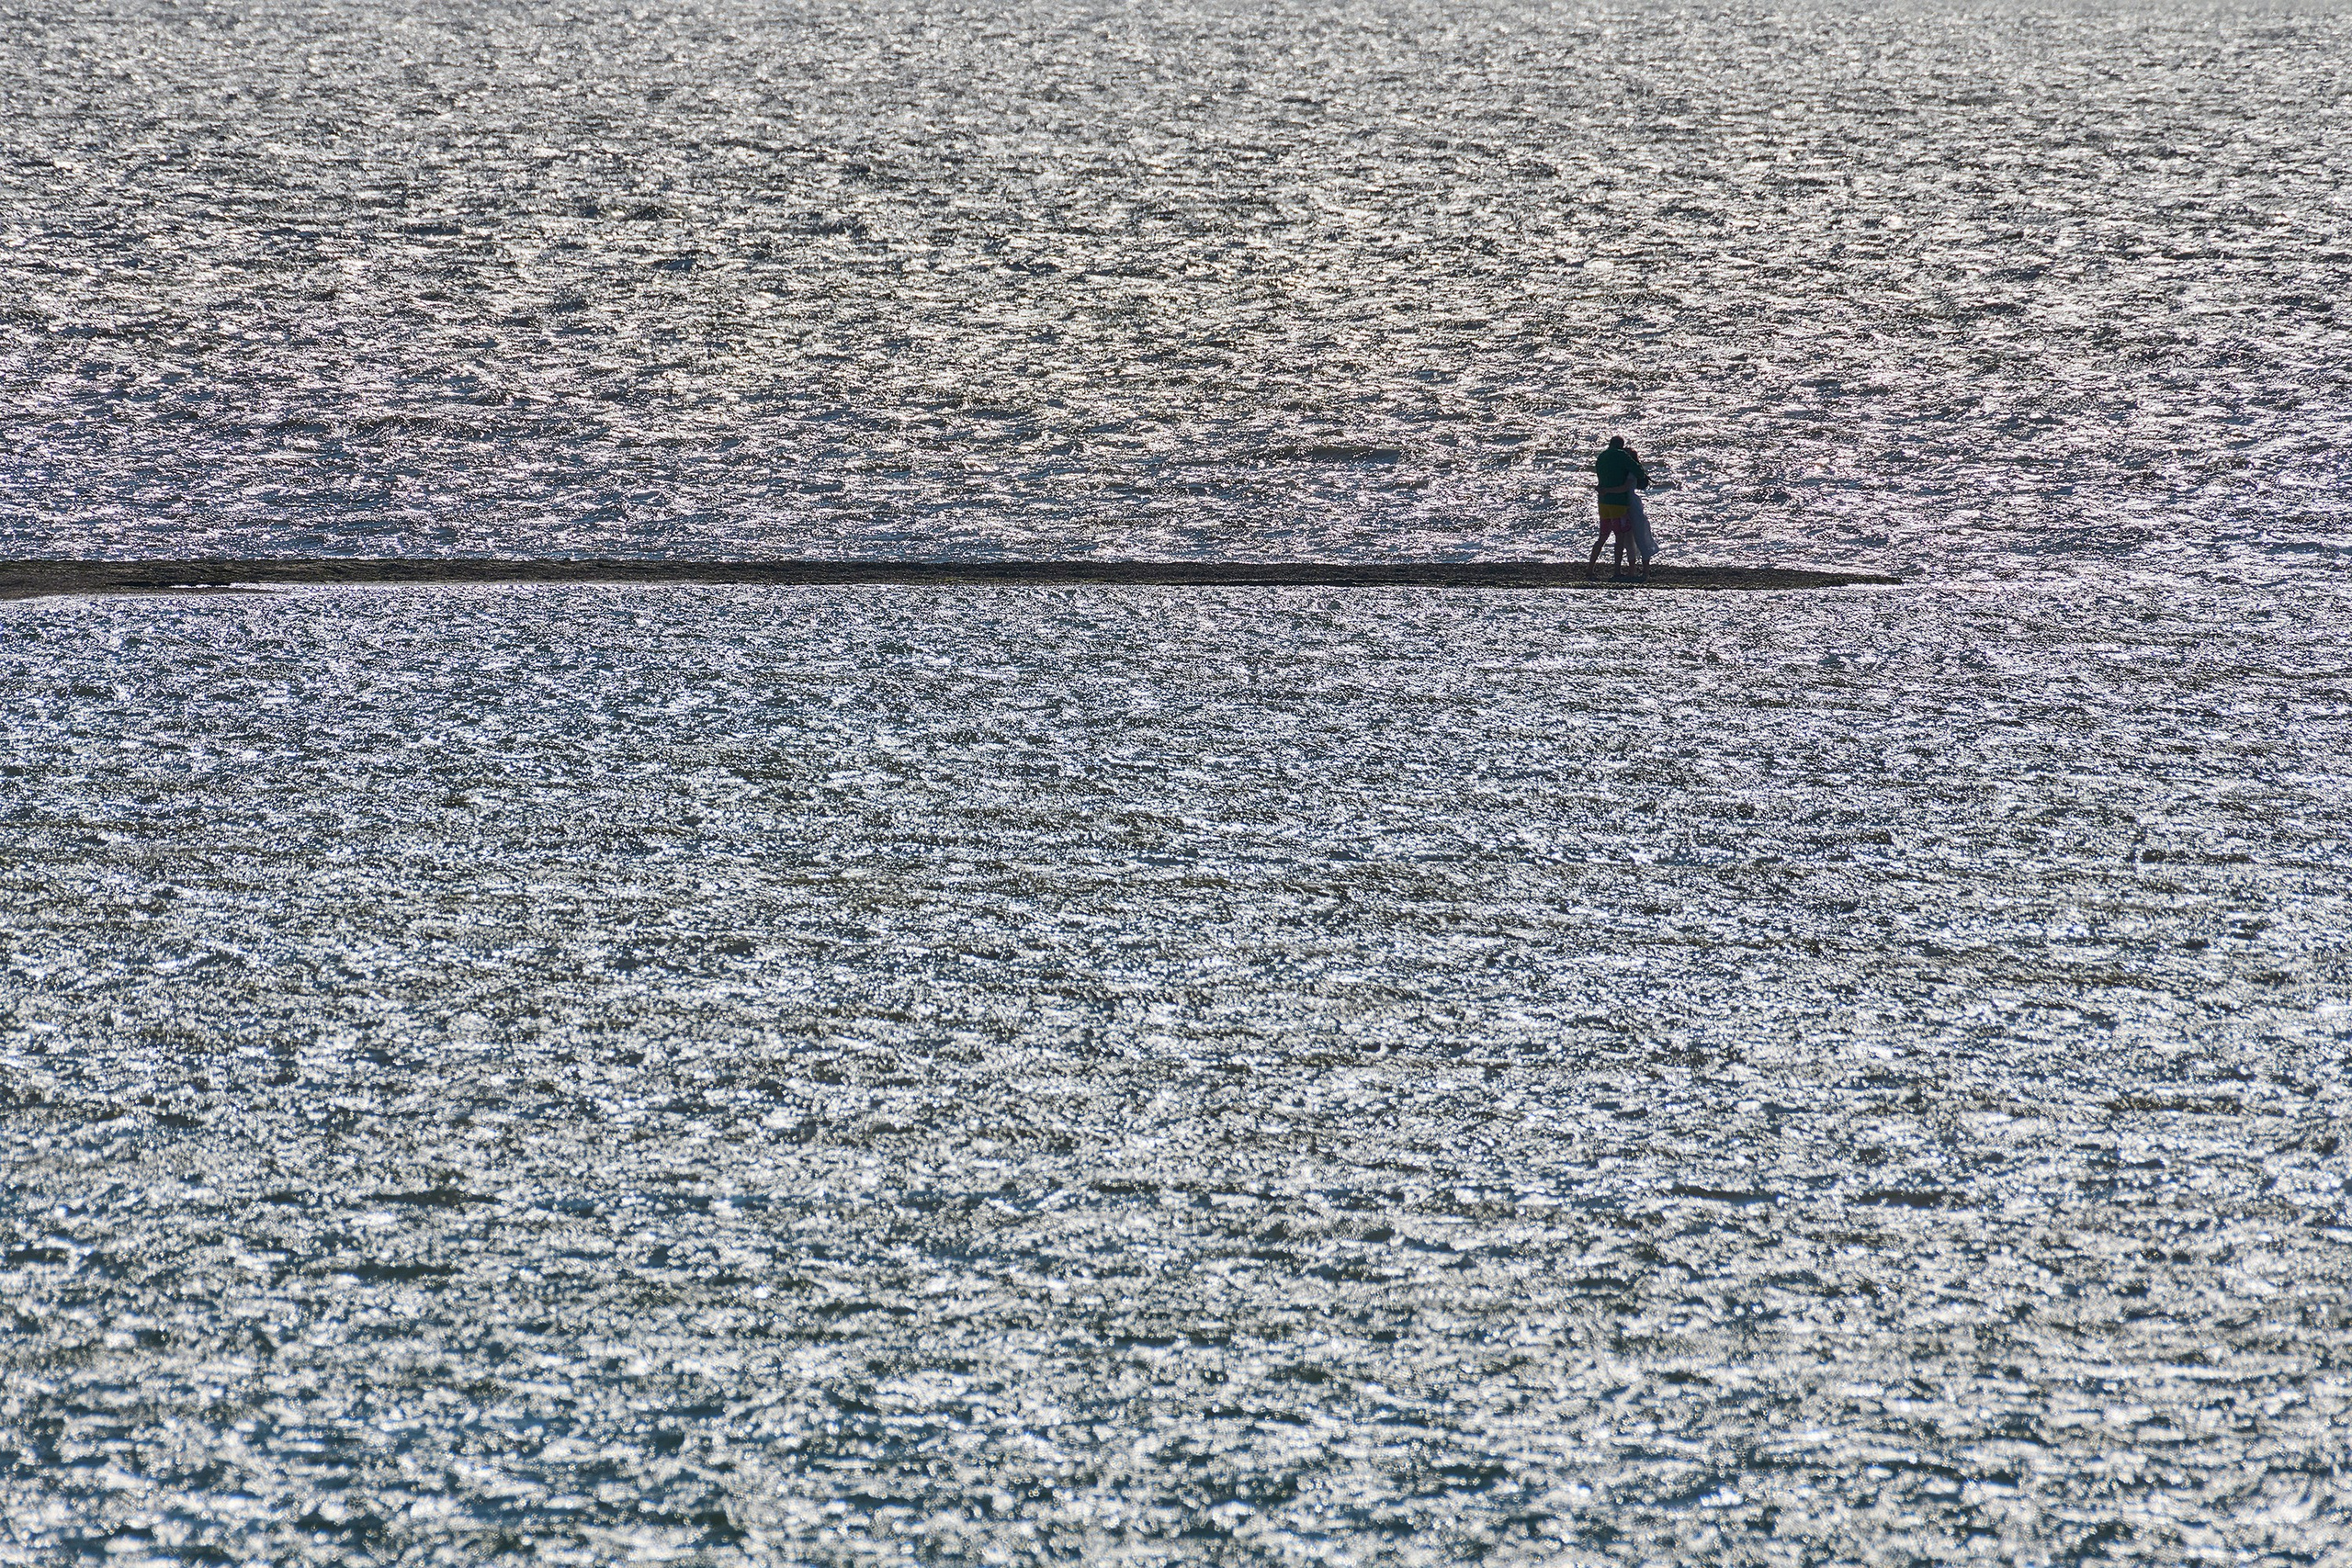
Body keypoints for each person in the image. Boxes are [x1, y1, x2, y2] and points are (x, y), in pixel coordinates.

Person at [1589, 435, 1652, 581]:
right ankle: (1617, 571)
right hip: (1618, 504)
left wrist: (1604, 488)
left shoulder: (1601, 457)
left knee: (1602, 537)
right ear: (1621, 445)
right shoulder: (1621, 456)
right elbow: (1639, 472)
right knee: (1620, 537)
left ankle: (1590, 569)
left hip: (1603, 503)